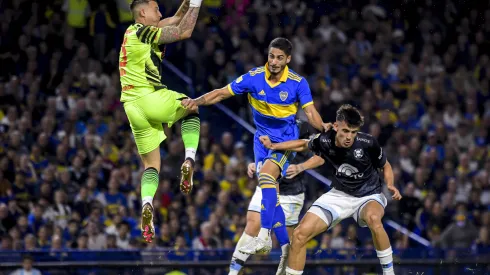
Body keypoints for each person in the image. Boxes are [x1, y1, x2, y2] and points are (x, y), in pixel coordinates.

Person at [182, 38, 327, 267]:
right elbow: (221, 93)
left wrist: (324, 127)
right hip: (260, 140)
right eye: (271, 56)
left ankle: (264, 238)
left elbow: (311, 114)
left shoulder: (299, 83)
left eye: (280, 57)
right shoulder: (253, 77)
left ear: (288, 59)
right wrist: (197, 101)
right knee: (271, 193)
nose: (275, 61)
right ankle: (285, 246)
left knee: (267, 177)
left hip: (284, 142)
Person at [259, 104, 402, 275]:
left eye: (353, 132)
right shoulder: (324, 140)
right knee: (299, 235)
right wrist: (274, 146)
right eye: (346, 131)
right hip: (339, 195)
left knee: (373, 219)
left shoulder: (368, 143)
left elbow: (386, 166)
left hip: (368, 195)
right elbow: (303, 144)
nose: (349, 137)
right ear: (336, 126)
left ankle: (389, 273)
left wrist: (390, 184)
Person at [119, 0, 202, 243]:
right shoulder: (140, 30)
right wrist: (197, 4)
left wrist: (187, 3)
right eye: (156, 9)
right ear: (143, 13)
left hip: (132, 107)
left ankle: (147, 204)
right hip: (149, 96)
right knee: (191, 106)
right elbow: (183, 31)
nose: (160, 12)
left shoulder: (134, 33)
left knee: (151, 165)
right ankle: (189, 158)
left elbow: (175, 20)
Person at [230, 120, 312, 275]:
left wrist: (302, 166)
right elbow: (265, 151)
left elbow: (321, 155)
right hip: (267, 185)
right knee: (252, 225)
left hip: (291, 193)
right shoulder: (269, 123)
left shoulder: (302, 127)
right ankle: (233, 272)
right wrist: (256, 164)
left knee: (289, 241)